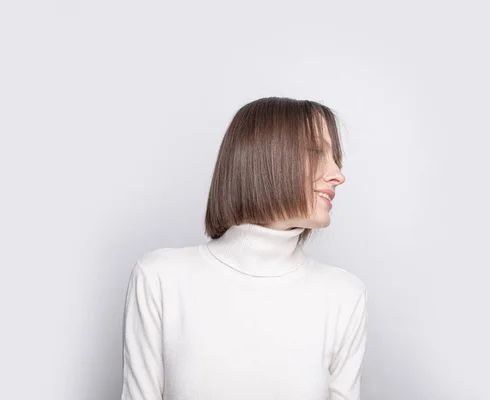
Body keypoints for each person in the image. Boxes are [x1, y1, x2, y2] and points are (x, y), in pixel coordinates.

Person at [120, 97, 368, 400]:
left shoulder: (344, 294)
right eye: (317, 153)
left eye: (336, 158)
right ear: (264, 158)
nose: (338, 175)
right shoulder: (160, 278)